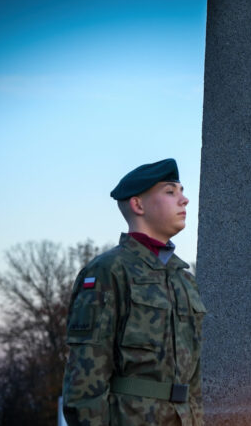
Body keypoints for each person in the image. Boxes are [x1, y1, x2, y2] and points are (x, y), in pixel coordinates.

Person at [62, 158, 205, 425]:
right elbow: (85, 379)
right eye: (170, 192)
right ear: (138, 205)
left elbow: (194, 380)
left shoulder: (185, 280)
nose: (184, 200)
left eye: (182, 192)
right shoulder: (108, 271)